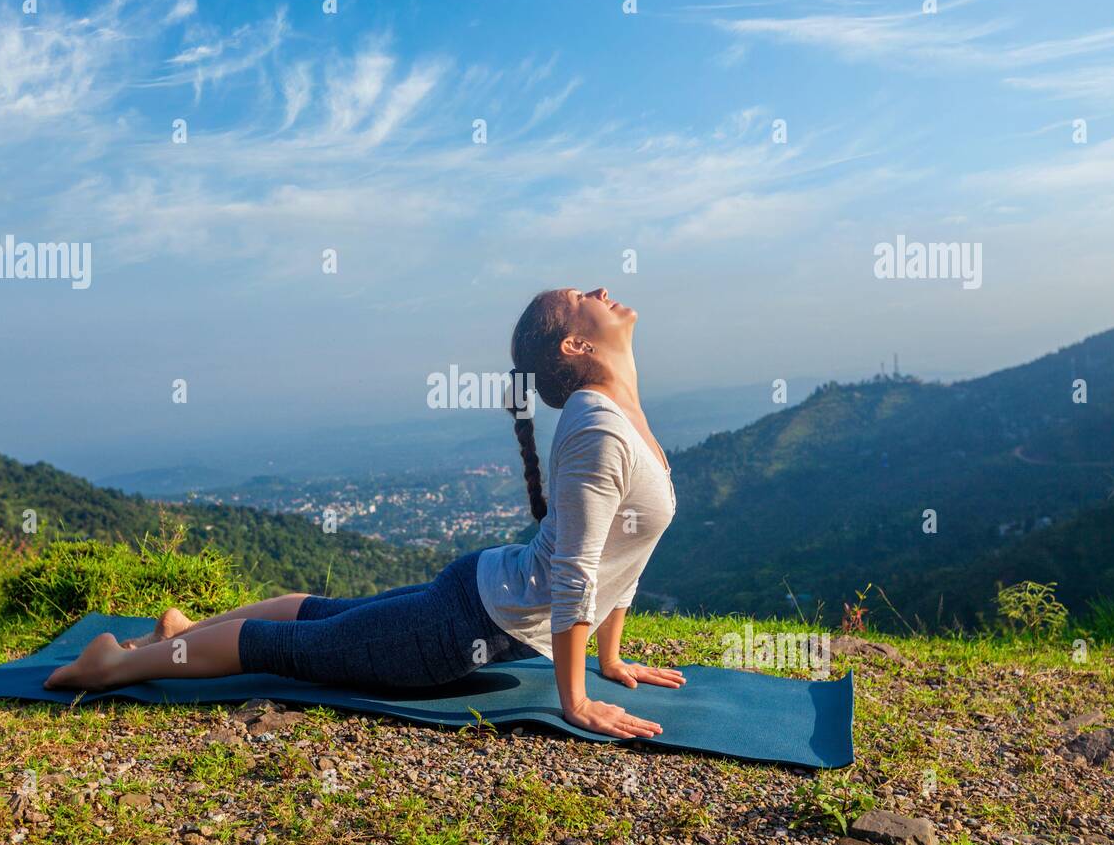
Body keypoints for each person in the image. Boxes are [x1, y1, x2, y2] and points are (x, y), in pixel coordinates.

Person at [44, 286, 681, 739]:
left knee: (317, 616)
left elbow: (618, 557)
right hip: (463, 629)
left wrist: (610, 660)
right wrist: (576, 700)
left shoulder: (620, 418)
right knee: (290, 646)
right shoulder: (598, 425)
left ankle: (180, 633)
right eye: (581, 296)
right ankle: (115, 665)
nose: (601, 289)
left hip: (482, 597)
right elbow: (575, 568)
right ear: (575, 341)